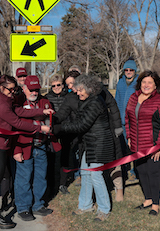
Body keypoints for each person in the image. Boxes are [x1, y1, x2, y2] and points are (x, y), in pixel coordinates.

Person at [0, 75, 53, 229]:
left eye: (15, 89)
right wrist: (40, 128)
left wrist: (43, 110)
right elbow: (17, 122)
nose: (14, 92)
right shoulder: (1, 104)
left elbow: (19, 110)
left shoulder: (5, 99)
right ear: (2, 87)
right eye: (11, 89)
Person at [59, 74, 117, 222]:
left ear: (88, 88)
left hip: (99, 144)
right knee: (85, 174)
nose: (77, 93)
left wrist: (59, 128)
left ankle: (104, 209)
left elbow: (82, 125)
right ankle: (85, 205)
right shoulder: (87, 101)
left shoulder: (95, 102)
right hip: (90, 143)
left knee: (96, 176)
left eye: (79, 90)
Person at [13, 75, 59, 221]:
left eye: (37, 90)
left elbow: (51, 121)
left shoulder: (45, 102)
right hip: (24, 146)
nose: (34, 93)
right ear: (24, 88)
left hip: (41, 146)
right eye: (31, 90)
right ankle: (23, 208)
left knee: (40, 177)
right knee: (24, 179)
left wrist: (51, 120)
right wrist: (16, 150)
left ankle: (38, 205)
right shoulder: (17, 102)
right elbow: (14, 126)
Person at [125, 70, 160, 216]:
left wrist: (159, 147)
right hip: (136, 144)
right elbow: (127, 119)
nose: (146, 85)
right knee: (141, 171)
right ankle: (148, 199)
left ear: (155, 85)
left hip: (153, 145)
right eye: (144, 82)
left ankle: (155, 205)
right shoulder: (133, 97)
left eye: (150, 82)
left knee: (153, 173)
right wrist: (129, 136)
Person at [44, 74, 69, 196]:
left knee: (65, 158)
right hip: (52, 131)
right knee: (52, 158)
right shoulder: (47, 98)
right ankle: (51, 183)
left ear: (62, 85)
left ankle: (62, 184)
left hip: (66, 130)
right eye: (53, 86)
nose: (56, 87)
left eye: (58, 85)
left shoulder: (68, 97)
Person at [115, 57, 138, 180]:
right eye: (126, 70)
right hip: (121, 121)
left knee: (133, 147)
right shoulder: (120, 82)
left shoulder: (139, 83)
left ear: (134, 71)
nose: (128, 72)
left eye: (131, 70)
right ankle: (124, 169)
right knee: (122, 147)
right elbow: (116, 100)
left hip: (133, 122)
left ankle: (134, 171)